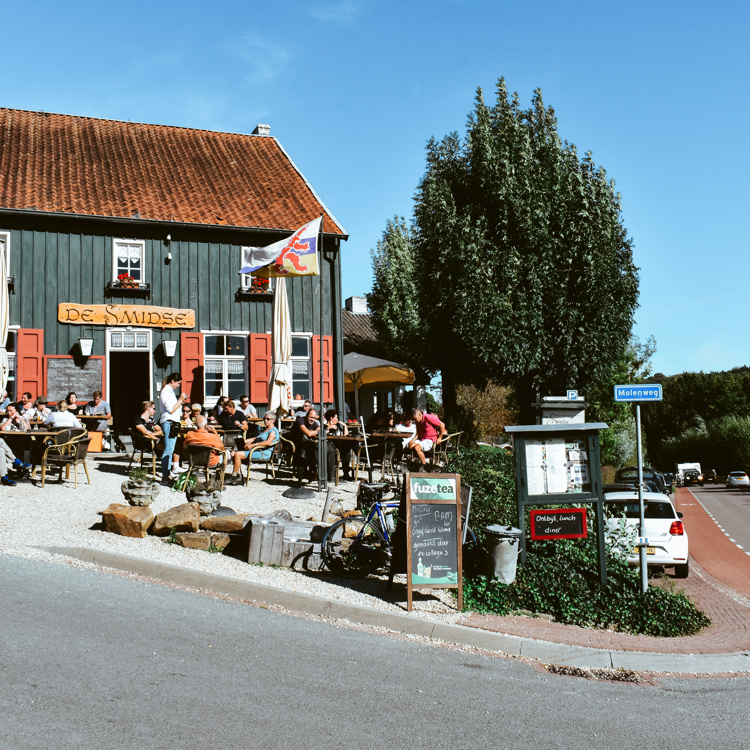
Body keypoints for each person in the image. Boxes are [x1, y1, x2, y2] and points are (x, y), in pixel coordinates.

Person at [226, 412, 280, 485]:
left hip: (264, 452)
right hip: (257, 450)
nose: (265, 421)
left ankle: (233, 477)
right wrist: (244, 441)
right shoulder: (265, 430)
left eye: (268, 419)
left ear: (273, 420)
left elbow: (268, 442)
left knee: (238, 454)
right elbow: (255, 438)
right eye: (264, 419)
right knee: (233, 453)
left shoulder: (273, 431)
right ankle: (238, 476)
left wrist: (253, 445)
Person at [158, 372, 188, 483]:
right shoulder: (165, 392)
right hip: (169, 422)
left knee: (170, 449)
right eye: (178, 383)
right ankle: (165, 476)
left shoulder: (169, 391)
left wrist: (180, 402)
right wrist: (180, 400)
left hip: (173, 422)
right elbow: (171, 409)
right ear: (173, 381)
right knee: (168, 450)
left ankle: (168, 473)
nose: (178, 385)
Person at [325, 409, 352, 480]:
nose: (337, 419)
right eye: (336, 418)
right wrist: (329, 428)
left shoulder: (337, 426)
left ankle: (346, 473)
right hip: (329, 448)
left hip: (339, 446)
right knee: (343, 450)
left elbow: (345, 436)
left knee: (347, 451)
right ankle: (333, 475)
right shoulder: (325, 426)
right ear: (331, 418)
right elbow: (324, 434)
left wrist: (345, 426)